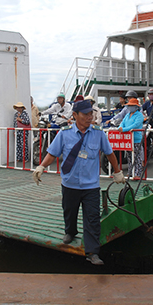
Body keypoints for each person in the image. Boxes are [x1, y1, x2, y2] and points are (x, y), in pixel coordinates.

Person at [32, 100, 125, 266]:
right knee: (70, 211)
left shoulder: (98, 133)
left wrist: (117, 172)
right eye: (86, 114)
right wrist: (41, 166)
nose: (90, 117)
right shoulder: (64, 133)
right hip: (70, 183)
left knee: (92, 218)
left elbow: (109, 153)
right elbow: (52, 153)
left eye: (91, 114)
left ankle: (92, 252)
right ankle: (70, 231)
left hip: (91, 186)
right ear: (74, 115)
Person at [119, 98, 144, 180]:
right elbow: (122, 123)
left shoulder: (139, 115)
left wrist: (124, 129)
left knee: (137, 157)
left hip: (136, 139)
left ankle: (137, 174)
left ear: (136, 107)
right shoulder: (127, 115)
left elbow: (136, 125)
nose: (130, 107)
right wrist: (120, 127)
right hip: (128, 139)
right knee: (129, 157)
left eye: (132, 106)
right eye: (129, 106)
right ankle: (130, 173)